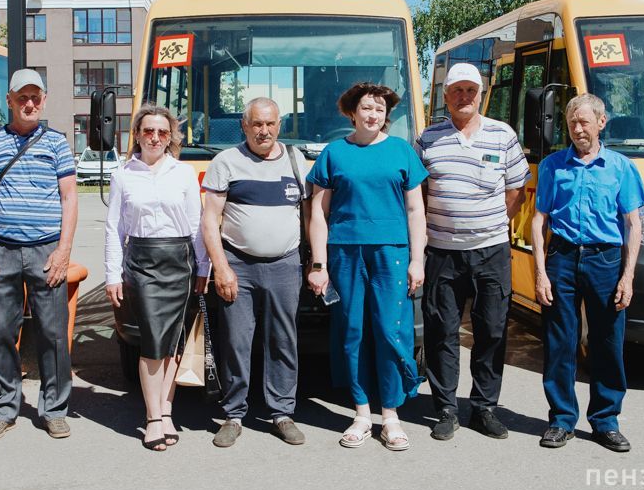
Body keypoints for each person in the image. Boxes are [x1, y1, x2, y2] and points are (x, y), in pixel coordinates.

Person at [306, 82, 428, 451]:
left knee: (391, 330)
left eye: (379, 109)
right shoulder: (334, 153)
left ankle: (390, 415)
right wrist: (318, 263)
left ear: (386, 115)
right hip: (345, 252)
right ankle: (361, 413)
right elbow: (318, 213)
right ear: (352, 112)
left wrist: (417, 259)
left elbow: (415, 210)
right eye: (366, 108)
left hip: (392, 252)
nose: (372, 115)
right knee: (352, 330)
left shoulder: (401, 151)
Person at [415, 62, 529, 441]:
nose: (464, 97)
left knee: (492, 329)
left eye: (471, 90)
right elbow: (419, 194)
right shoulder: (428, 139)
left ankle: (484, 408)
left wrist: (489, 224)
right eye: (457, 91)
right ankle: (446, 408)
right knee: (441, 331)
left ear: (480, 95)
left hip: (491, 251)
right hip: (442, 252)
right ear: (446, 96)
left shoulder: (502, 135)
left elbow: (515, 190)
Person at [531, 93, 644, 452]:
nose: (578, 129)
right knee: (560, 342)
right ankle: (561, 420)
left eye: (584, 122)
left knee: (607, 341)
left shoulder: (621, 167)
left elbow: (633, 225)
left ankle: (605, 421)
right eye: (572, 123)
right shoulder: (552, 166)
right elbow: (539, 220)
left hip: (605, 261)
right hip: (562, 258)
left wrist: (627, 276)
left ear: (601, 122)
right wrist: (541, 272)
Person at [0, 69, 78, 441]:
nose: (29, 104)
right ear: (10, 101)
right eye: (22, 98)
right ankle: (4, 408)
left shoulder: (57, 143)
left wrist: (63, 251)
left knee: (53, 333)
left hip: (46, 250)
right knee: (1, 331)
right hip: (0, 249)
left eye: (35, 97)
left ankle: (54, 410)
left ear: (44, 100)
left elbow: (69, 198)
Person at [201, 97, 308, 448]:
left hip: (285, 264)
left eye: (270, 123)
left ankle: (282, 413)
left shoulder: (296, 159)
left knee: (283, 341)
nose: (264, 130)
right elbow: (210, 219)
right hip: (239, 266)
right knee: (236, 341)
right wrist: (221, 268)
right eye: (257, 124)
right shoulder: (226, 162)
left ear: (279, 125)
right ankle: (233, 415)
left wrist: (314, 261)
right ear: (244, 126)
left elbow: (308, 214)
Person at [105, 104, 209, 451]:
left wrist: (203, 267)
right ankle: (152, 419)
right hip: (142, 264)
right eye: (148, 131)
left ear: (170, 137)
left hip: (179, 262)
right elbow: (114, 229)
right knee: (152, 343)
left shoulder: (183, 173)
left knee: (173, 344)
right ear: (137, 134)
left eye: (162, 132)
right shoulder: (123, 175)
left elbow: (196, 224)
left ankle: (166, 411)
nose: (155, 137)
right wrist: (113, 274)